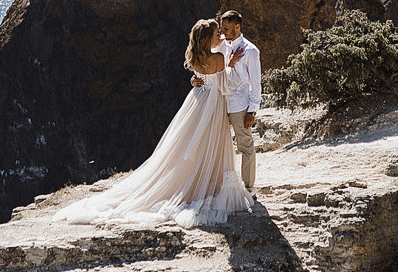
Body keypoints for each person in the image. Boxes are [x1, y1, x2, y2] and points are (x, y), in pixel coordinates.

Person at [55, 18, 251, 228]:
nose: (220, 36)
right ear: (207, 38)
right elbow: (225, 86)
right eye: (216, 34)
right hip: (211, 104)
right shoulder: (219, 57)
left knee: (189, 144)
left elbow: (201, 77)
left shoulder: (195, 57)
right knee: (211, 142)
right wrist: (230, 65)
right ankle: (208, 184)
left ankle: (196, 182)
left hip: (196, 101)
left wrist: (200, 77)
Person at [211, 10, 260, 194]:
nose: (223, 33)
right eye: (221, 28)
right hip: (221, 104)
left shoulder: (251, 51)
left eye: (226, 28)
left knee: (245, 146)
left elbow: (256, 83)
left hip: (240, 105)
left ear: (237, 26)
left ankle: (248, 189)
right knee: (218, 146)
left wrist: (252, 110)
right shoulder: (222, 46)